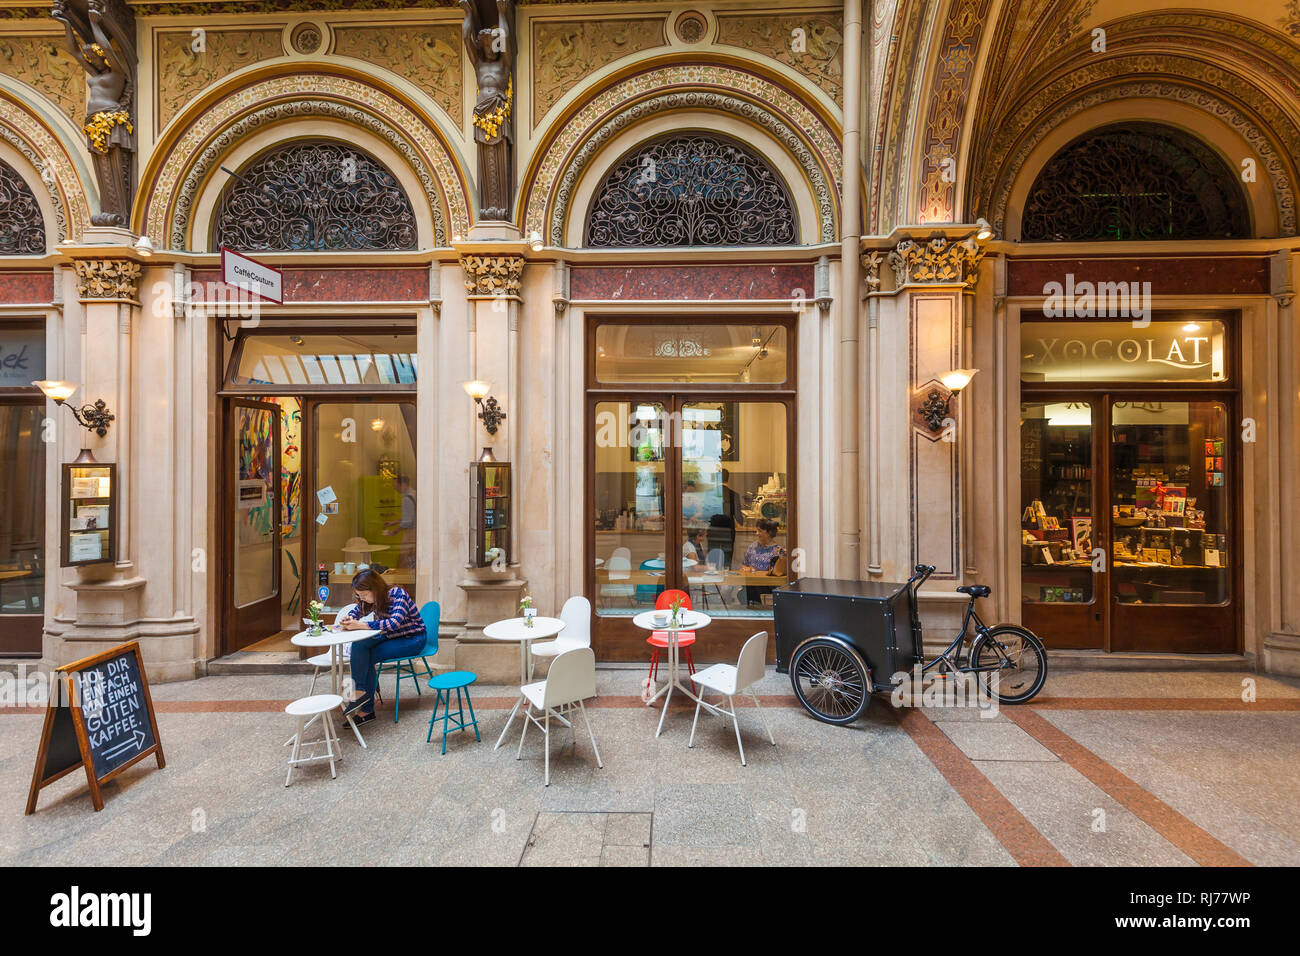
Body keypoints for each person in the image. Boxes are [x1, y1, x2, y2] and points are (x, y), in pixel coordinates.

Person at [339, 569, 426, 723]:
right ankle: (360, 690)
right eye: (359, 596)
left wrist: (359, 624)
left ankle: (367, 709)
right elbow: (358, 610)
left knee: (368, 656)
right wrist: (350, 618)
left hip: (412, 638)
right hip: (391, 636)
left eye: (364, 595)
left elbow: (393, 623)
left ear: (375, 588)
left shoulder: (398, 594)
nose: (362, 599)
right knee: (359, 645)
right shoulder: (370, 599)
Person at [741, 517, 787, 607]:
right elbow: (744, 566)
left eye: (760, 531)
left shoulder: (778, 551)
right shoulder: (752, 547)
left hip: (767, 590)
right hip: (750, 588)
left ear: (769, 532)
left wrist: (755, 571)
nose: (756, 533)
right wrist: (747, 569)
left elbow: (778, 573)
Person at [383, 474, 416, 568]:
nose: (395, 488)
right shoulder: (414, 494)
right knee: (411, 560)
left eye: (396, 486)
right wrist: (394, 522)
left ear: (403, 485)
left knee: (404, 560)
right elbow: (411, 515)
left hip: (410, 534)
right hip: (415, 532)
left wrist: (394, 531)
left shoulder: (407, 499)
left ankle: (403, 581)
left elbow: (408, 521)